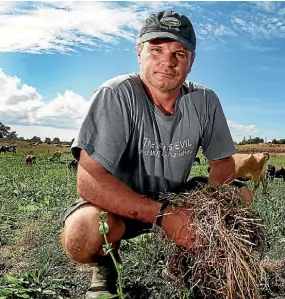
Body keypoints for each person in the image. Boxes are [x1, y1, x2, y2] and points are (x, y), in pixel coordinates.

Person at [59, 10, 253, 298]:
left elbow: (222, 163)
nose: (167, 61)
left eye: (179, 53)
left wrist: (207, 214)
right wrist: (165, 217)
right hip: (120, 203)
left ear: (191, 62)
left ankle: (188, 259)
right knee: (83, 231)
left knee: (241, 195)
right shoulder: (116, 94)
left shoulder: (204, 100)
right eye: (156, 49)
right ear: (139, 51)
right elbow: (89, 180)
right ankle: (106, 267)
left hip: (177, 196)